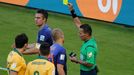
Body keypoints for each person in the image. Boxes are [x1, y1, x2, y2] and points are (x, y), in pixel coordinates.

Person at [68, 3, 98, 75]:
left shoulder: (90, 47)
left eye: (80, 33)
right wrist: (72, 10)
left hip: (88, 73)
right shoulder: (89, 39)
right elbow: (78, 23)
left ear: (87, 34)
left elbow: (90, 63)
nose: (79, 35)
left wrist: (76, 60)